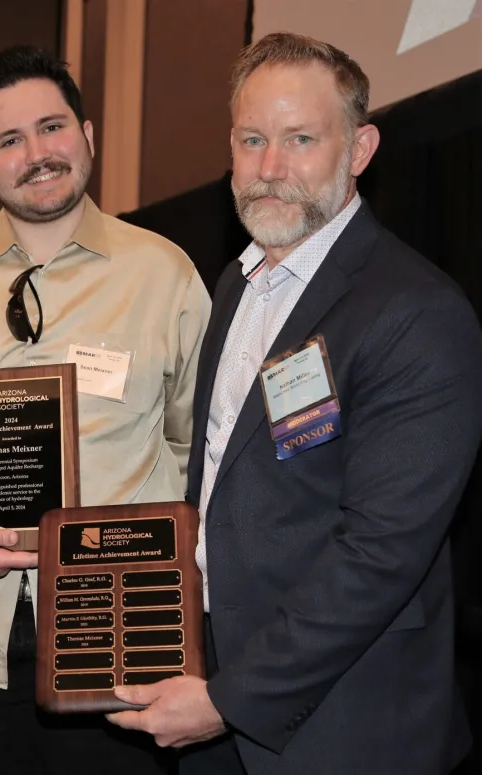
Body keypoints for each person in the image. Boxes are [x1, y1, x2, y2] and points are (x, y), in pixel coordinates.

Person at [106, 33, 482, 775]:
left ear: (361, 147)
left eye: (300, 139)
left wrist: (228, 699)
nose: (270, 169)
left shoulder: (416, 311)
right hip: (213, 691)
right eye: (252, 140)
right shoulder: (236, 285)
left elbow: (378, 554)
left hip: (342, 726)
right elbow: (220, 478)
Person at [0, 45, 210, 774]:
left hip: (119, 642)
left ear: (88, 135)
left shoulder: (165, 273)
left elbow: (195, 446)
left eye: (51, 128)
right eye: (9, 140)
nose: (38, 153)